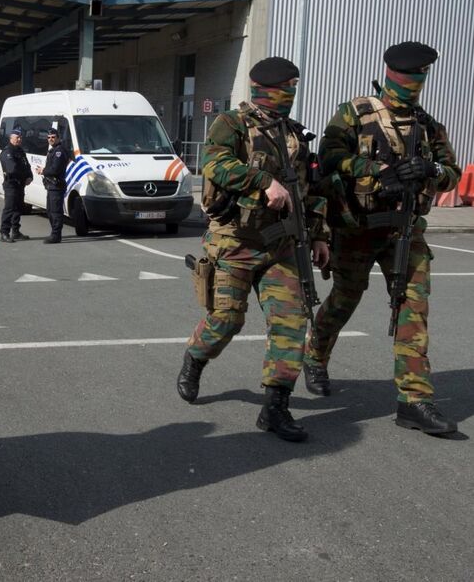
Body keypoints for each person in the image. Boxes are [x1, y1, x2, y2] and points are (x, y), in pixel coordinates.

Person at [302, 42, 460, 435]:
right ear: (392, 75)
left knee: (412, 309)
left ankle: (414, 400)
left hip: (404, 231)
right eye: (410, 76)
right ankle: (315, 355)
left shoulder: (427, 126)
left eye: (420, 77)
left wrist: (429, 170)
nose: (414, 84)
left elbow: (452, 173)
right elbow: (329, 158)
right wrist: (377, 171)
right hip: (356, 228)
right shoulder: (355, 113)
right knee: (344, 299)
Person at [176, 57, 330, 442]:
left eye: (295, 87)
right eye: (287, 87)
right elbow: (215, 165)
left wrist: (319, 235)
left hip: (281, 246)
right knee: (227, 320)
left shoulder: (294, 135)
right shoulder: (231, 124)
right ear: (268, 89)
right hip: (235, 243)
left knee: (291, 323)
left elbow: (309, 192)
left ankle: (275, 407)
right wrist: (262, 181)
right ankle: (195, 357)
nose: (291, 94)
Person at [0, 128, 33, 242]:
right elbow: (12, 169)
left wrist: (30, 176)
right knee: (9, 209)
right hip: (11, 184)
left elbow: (27, 165)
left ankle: (16, 231)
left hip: (20, 184)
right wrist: (24, 176)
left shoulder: (20, 151)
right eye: (17, 137)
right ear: (11, 138)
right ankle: (4, 233)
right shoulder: (7, 152)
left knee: (18, 208)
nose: (19, 139)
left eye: (20, 137)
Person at [37, 127, 70, 244]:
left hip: (56, 186)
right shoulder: (53, 150)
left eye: (53, 137)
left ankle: (56, 235)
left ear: (58, 138)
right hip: (51, 185)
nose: (50, 139)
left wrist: (43, 171)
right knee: (50, 211)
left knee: (55, 212)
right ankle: (54, 233)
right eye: (48, 137)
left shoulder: (59, 151)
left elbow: (55, 169)